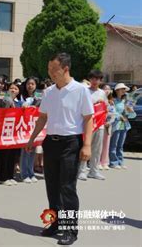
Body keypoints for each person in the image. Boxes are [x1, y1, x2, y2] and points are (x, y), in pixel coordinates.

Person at [26, 53, 94, 245]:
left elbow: (89, 118)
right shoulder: (49, 92)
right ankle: (55, 222)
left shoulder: (80, 90)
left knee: (67, 187)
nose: (50, 73)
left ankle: (71, 229)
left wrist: (87, 145)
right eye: (49, 69)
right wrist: (32, 138)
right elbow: (42, 117)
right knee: (52, 186)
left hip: (71, 143)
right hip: (51, 142)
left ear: (65, 69)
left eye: (53, 70)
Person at [78, 70, 107, 180]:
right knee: (85, 146)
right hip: (87, 124)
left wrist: (102, 104)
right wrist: (93, 104)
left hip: (99, 124)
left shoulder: (102, 93)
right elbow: (81, 107)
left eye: (97, 79)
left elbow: (105, 108)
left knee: (97, 149)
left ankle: (94, 170)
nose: (95, 81)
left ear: (100, 80)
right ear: (89, 79)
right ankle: (82, 170)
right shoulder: (85, 91)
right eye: (93, 78)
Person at [108, 83, 136, 169]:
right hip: (116, 124)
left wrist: (131, 111)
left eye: (124, 89)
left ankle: (120, 162)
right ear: (116, 90)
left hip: (124, 125)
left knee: (120, 144)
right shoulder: (113, 101)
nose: (124, 91)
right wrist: (119, 116)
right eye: (122, 89)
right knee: (114, 144)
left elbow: (132, 116)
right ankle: (113, 162)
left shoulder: (126, 101)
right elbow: (111, 112)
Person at [20, 77, 40, 184]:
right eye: (28, 84)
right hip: (24, 127)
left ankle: (31, 172)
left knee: (33, 150)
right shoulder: (21, 96)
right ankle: (24, 173)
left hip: (35, 127)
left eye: (32, 84)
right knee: (25, 150)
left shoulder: (39, 97)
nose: (30, 86)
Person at [99, 84, 114, 170]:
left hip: (108, 125)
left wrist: (110, 122)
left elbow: (113, 114)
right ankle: (97, 162)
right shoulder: (100, 100)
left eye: (108, 89)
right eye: (105, 89)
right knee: (99, 145)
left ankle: (104, 162)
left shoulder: (111, 101)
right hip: (100, 124)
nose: (107, 91)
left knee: (106, 144)